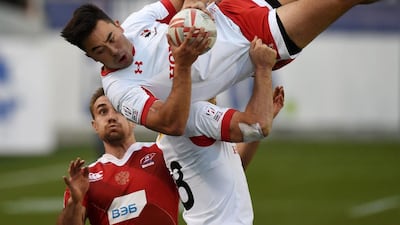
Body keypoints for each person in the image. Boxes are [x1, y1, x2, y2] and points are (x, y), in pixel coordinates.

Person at [61, 0, 379, 136]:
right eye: (100, 51)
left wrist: (192, 7)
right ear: (91, 58)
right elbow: (169, 124)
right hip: (255, 39)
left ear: (117, 24)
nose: (115, 50)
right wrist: (182, 64)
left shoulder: (136, 22)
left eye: (113, 38)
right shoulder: (120, 90)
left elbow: (181, 2)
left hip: (235, 7)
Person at [156, 37, 284, 224]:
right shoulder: (195, 114)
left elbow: (233, 165)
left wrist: (262, 121)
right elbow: (254, 126)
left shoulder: (176, 127)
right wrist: (263, 68)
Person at [56, 87, 180, 225]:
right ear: (95, 126)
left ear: (133, 119)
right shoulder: (85, 178)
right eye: (103, 112)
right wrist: (75, 202)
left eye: (118, 109)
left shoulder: (162, 153)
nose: (111, 117)